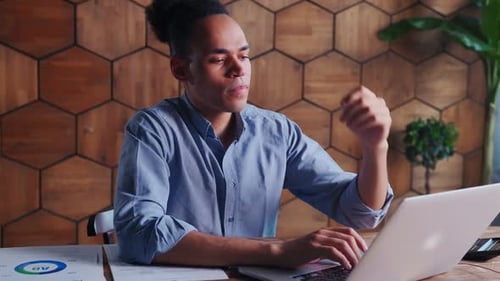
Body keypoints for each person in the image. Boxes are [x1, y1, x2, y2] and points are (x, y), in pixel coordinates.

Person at [114, 0, 394, 271]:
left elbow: (360, 212)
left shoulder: (276, 132)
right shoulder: (152, 129)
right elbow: (139, 233)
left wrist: (375, 147)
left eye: (244, 56)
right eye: (219, 59)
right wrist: (278, 252)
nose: (239, 69)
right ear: (181, 69)